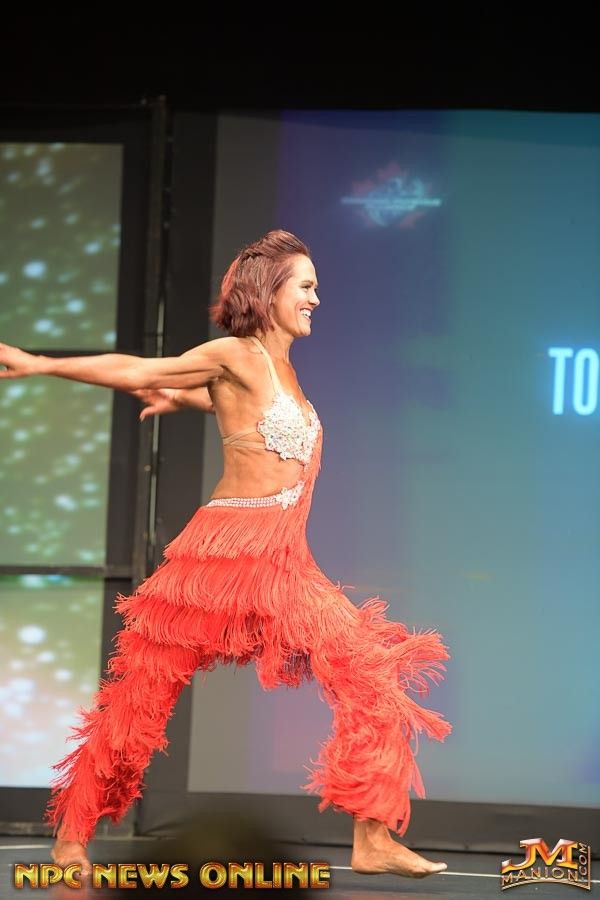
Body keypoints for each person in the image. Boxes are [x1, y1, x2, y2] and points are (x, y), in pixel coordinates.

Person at [0, 230, 452, 881]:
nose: (316, 299)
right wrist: (43, 364)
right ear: (269, 292)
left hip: (285, 565)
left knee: (372, 673)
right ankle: (72, 838)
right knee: (139, 700)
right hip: (218, 561)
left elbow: (241, 409)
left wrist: (187, 398)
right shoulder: (234, 353)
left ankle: (372, 836)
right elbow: (142, 371)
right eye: (306, 286)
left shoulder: (282, 373)